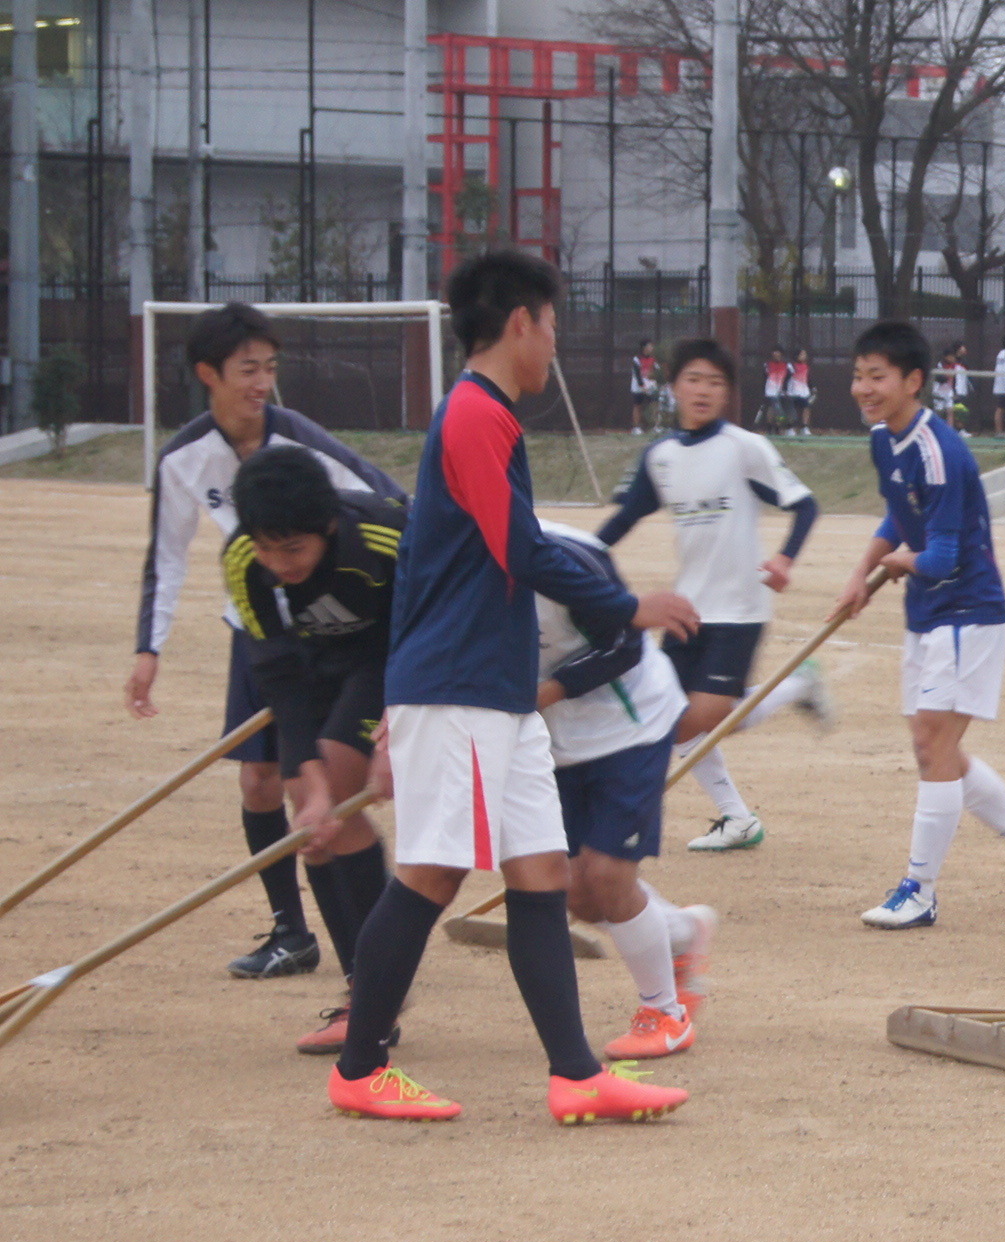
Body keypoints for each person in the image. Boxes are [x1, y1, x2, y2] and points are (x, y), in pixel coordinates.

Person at [323, 248, 701, 1124]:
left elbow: (430, 570)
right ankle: (358, 1065)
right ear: (522, 322)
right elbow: (519, 551)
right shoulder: (472, 417)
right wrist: (624, 604)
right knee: (430, 875)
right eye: (554, 326)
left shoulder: (486, 417)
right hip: (458, 689)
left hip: (490, 690)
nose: (555, 346)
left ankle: (575, 1075)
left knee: (538, 873)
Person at [128, 300, 408, 982]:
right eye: (246, 369)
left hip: (357, 630)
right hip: (264, 630)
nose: (260, 382)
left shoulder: (303, 444)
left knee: (329, 794)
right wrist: (148, 647)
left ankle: (377, 962)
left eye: (269, 368)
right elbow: (165, 556)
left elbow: (389, 509)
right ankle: (294, 930)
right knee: (272, 785)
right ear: (208, 374)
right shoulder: (184, 459)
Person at [835, 320, 1005, 929]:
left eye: (876, 376)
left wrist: (901, 562)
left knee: (934, 743)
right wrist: (861, 574)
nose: (864, 387)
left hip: (968, 611)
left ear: (913, 381)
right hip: (928, 615)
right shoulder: (886, 440)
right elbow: (898, 515)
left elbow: (943, 556)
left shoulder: (941, 451)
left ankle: (919, 889)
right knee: (934, 748)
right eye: (859, 375)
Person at [595, 338, 820, 853]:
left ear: (727, 395)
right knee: (669, 717)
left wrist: (784, 559)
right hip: (687, 609)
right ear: (673, 387)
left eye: (715, 383)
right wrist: (575, 555)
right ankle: (736, 817)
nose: (703, 391)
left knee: (697, 720)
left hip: (740, 609)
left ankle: (794, 689)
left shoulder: (744, 448)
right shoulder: (661, 456)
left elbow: (804, 506)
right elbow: (626, 517)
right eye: (693, 379)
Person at [221, 448, 408, 1057]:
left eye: (293, 550)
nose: (278, 565)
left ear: (327, 526)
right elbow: (277, 675)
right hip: (315, 660)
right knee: (312, 809)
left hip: (388, 657)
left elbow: (425, 632)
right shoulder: (244, 560)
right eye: (266, 549)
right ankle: (369, 986)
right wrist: (315, 789)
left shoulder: (388, 535)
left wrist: (396, 729)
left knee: (331, 791)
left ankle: (376, 992)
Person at [533, 518, 719, 1061]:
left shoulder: (563, 556)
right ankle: (684, 933)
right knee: (579, 896)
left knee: (610, 876)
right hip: (554, 741)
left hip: (631, 726)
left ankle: (665, 1013)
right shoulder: (446, 566)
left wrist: (542, 692)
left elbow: (625, 645)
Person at [628, 338, 661, 435]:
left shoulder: (654, 359)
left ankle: (656, 427)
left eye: (652, 346)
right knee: (637, 406)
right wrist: (642, 385)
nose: (651, 348)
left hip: (651, 386)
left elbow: (658, 371)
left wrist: (656, 383)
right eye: (649, 346)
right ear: (644, 348)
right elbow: (637, 373)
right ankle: (636, 428)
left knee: (655, 405)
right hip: (638, 387)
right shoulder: (636, 359)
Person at [786, 346, 813, 435]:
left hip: (803, 393)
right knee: (792, 412)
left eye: (805, 354)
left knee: (806, 408)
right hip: (792, 393)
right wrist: (784, 390)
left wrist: (812, 388)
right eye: (802, 354)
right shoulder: (791, 366)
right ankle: (789, 428)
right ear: (797, 356)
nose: (804, 356)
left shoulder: (806, 367)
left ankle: (804, 428)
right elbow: (785, 378)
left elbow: (808, 379)